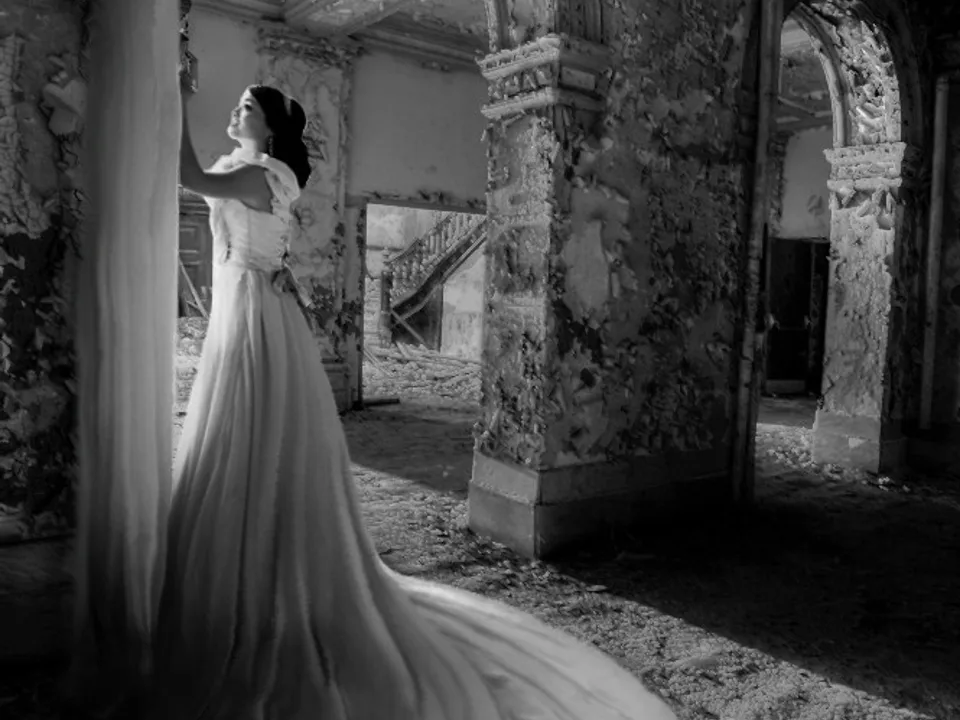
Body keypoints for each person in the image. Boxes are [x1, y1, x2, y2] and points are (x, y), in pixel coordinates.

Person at [151, 74, 679, 720]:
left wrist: (176, 93)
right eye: (237, 105)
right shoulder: (256, 172)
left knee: (250, 432)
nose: (236, 113)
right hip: (251, 305)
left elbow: (187, 176)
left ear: (270, 126)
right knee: (244, 434)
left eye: (246, 107)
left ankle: (258, 576)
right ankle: (241, 565)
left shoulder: (260, 176)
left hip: (254, 313)